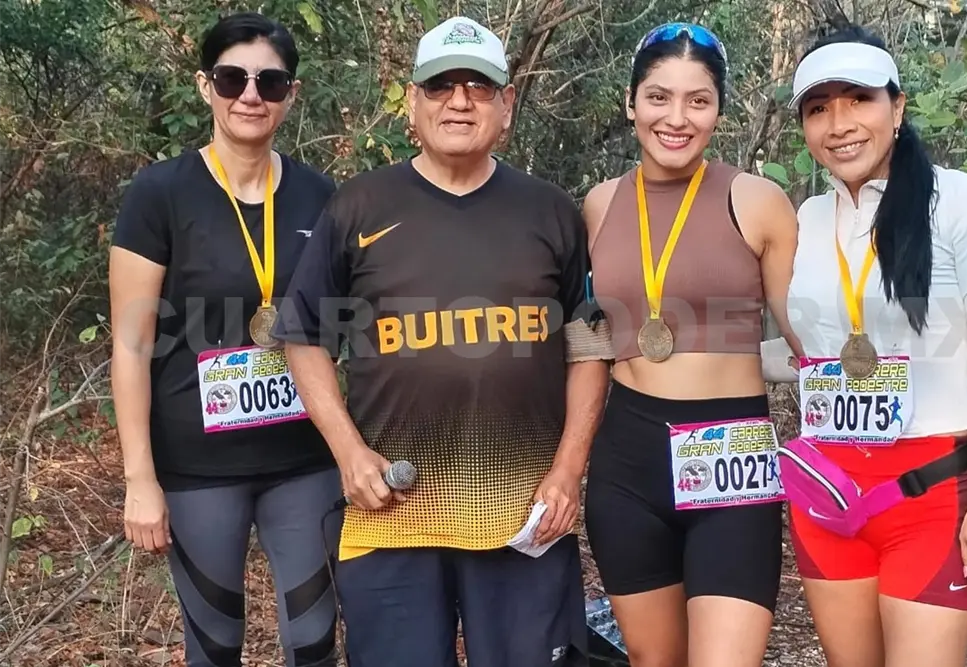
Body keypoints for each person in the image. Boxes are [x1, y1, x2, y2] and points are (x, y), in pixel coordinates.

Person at [273, 15, 613, 667]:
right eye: (440, 86)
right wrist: (348, 453)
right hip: (391, 512)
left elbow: (589, 348)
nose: (459, 101)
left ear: (506, 104)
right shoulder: (358, 207)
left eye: (478, 86)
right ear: (413, 101)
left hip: (522, 516)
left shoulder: (550, 211)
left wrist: (569, 469)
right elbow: (305, 337)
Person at [768, 23, 967, 667]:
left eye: (859, 99)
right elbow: (808, 351)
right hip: (828, 491)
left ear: (898, 106)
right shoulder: (808, 219)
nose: (839, 124)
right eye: (818, 108)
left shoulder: (961, 203)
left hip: (928, 493)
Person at [108, 12, 341, 667]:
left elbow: (340, 326)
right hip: (196, 466)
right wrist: (139, 478)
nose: (250, 95)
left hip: (303, 457)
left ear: (291, 94)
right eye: (233, 78)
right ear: (204, 84)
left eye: (270, 82)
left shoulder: (320, 195)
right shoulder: (160, 194)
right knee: (213, 646)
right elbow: (130, 345)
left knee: (314, 642)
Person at [581, 23, 805, 667]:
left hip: (731, 453)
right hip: (628, 460)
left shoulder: (757, 201)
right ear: (631, 104)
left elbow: (808, 334)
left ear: (718, 112)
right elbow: (590, 335)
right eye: (658, 97)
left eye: (697, 100)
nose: (676, 118)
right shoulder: (598, 205)